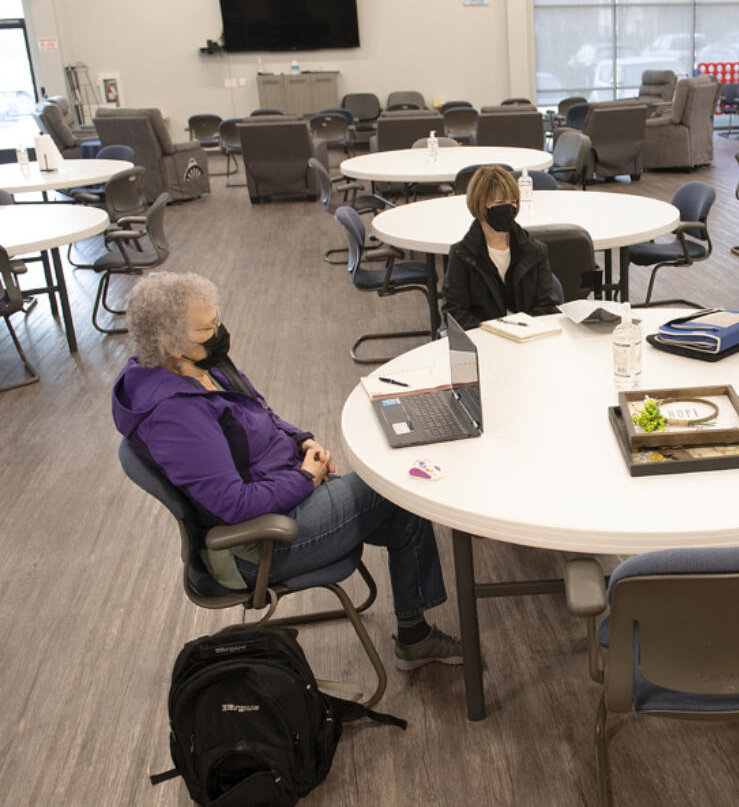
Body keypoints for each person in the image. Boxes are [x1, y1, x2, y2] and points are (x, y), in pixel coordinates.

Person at [112, 272, 462, 670]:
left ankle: (414, 637)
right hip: (259, 543)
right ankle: (415, 636)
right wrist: (305, 478)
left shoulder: (202, 364)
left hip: (284, 497)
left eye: (217, 319)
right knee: (397, 486)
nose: (219, 332)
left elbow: (260, 413)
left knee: (403, 509)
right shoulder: (175, 414)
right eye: (207, 327)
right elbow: (233, 504)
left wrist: (301, 442)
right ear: (170, 344)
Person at [441, 165, 560, 330]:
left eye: (513, 202)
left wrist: (519, 328)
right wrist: (492, 330)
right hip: (485, 342)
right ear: (481, 205)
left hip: (528, 339)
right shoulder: (462, 255)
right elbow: (454, 312)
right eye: (500, 202)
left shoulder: (535, 251)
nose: (509, 208)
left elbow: (548, 307)